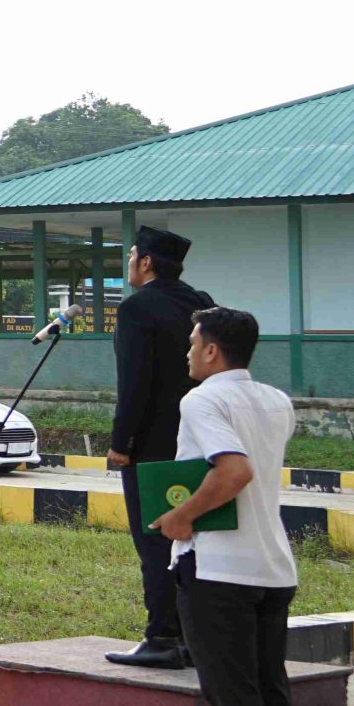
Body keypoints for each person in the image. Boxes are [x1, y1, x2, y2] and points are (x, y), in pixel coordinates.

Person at [156, 306, 298, 706]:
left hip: (218, 569)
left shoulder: (202, 399)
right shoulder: (277, 400)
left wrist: (181, 516)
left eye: (193, 342)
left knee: (233, 693)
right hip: (272, 565)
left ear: (212, 350)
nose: (189, 351)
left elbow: (233, 470)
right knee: (269, 689)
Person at [105, 225, 215, 670]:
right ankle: (192, 637)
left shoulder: (136, 308)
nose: (130, 262)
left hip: (150, 445)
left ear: (146, 262)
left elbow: (134, 382)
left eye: (132, 254)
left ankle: (162, 635)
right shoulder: (201, 301)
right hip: (198, 440)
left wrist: (121, 443)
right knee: (191, 539)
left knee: (154, 539)